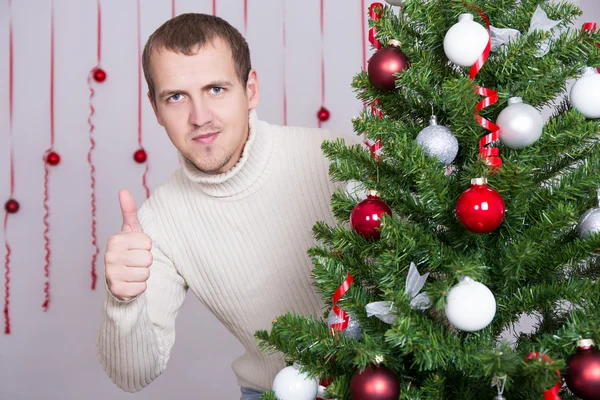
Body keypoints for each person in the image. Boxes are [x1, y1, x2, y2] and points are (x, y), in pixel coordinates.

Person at [96, 12, 356, 400]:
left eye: (215, 89)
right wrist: (123, 300)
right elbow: (134, 376)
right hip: (275, 391)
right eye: (176, 97)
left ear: (250, 89)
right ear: (155, 108)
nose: (200, 118)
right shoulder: (156, 225)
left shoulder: (338, 158)